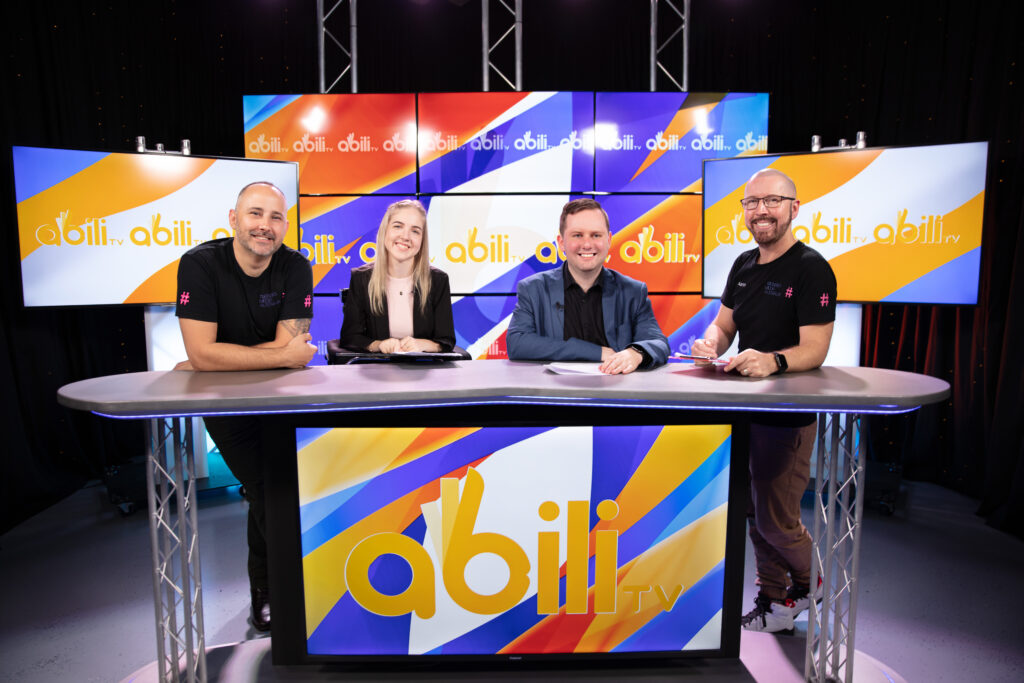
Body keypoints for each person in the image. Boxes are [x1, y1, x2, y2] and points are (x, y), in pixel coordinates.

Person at [692, 168, 837, 633]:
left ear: (794, 208)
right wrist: (710, 342)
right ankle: (775, 603)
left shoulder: (812, 268)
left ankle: (810, 582)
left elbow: (815, 350)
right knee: (754, 514)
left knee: (777, 520)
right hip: (742, 409)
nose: (760, 211)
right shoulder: (743, 264)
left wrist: (773, 361)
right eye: (751, 203)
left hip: (787, 417)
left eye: (771, 201)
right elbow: (725, 325)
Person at [175, 181, 315, 632]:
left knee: (274, 489)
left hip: (281, 401)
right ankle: (280, 591)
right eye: (255, 214)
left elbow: (215, 354)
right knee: (267, 489)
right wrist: (280, 356)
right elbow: (202, 355)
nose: (264, 226)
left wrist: (219, 356)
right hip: (224, 403)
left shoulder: (296, 267)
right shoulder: (198, 265)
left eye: (275, 218)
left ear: (285, 225)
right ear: (234, 219)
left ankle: (273, 590)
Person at [507, 198, 669, 374]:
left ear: (608, 240)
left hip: (614, 395)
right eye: (577, 235)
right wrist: (596, 352)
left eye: (596, 235)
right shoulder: (533, 289)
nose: (586, 244)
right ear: (561, 242)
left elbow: (658, 343)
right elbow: (518, 343)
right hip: (554, 396)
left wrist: (635, 353)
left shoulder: (633, 292)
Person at [339, 199, 455, 353]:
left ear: (422, 240)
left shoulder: (438, 281)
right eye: (398, 226)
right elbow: (350, 337)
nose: (405, 236)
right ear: (385, 231)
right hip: (376, 371)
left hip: (425, 369)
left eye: (415, 231)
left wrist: (424, 345)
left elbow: (446, 340)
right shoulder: (361, 279)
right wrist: (378, 345)